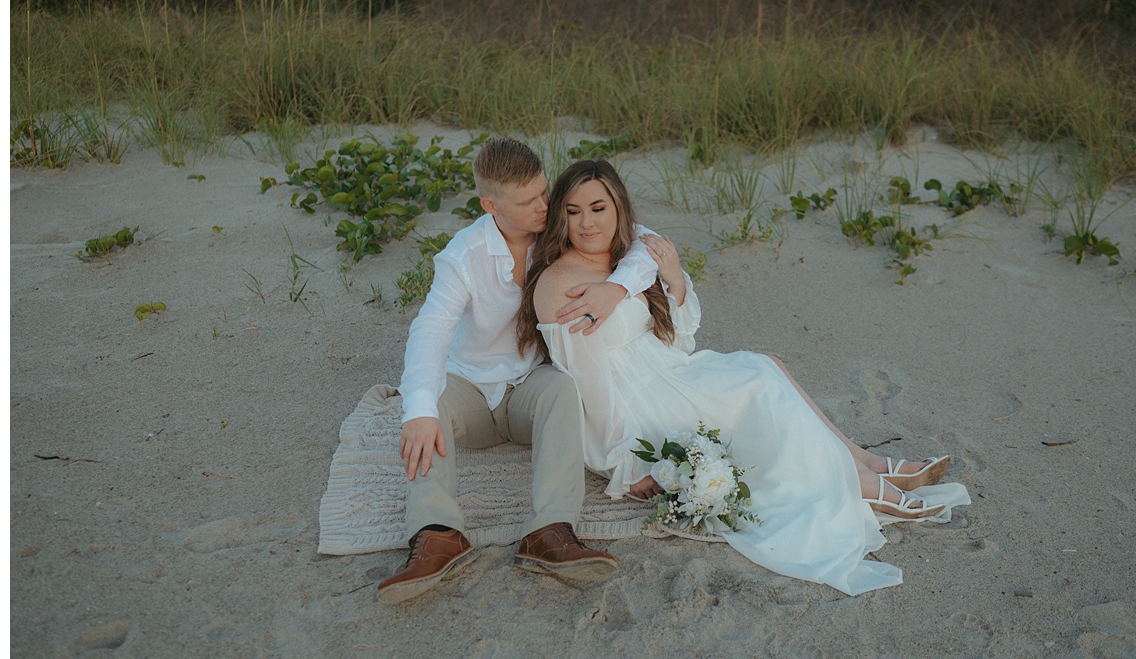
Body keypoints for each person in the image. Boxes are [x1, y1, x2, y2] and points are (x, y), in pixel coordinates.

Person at [516, 159, 970, 595]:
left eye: (598, 209)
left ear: (618, 209)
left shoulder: (632, 254)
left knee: (766, 366)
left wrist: (672, 275)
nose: (586, 224)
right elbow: (587, 383)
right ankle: (863, 478)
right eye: (573, 212)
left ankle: (861, 463)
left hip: (666, 370)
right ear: (560, 217)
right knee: (758, 383)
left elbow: (680, 334)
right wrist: (625, 461)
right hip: (629, 402)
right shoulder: (560, 284)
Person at [377, 139, 661, 605]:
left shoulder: (557, 229)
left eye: (544, 192)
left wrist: (616, 289)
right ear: (491, 205)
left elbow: (641, 239)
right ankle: (437, 536)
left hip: (528, 387)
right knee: (426, 409)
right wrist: (420, 409)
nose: (543, 207)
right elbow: (430, 329)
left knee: (563, 389)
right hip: (471, 390)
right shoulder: (462, 255)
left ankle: (549, 532)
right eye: (527, 201)